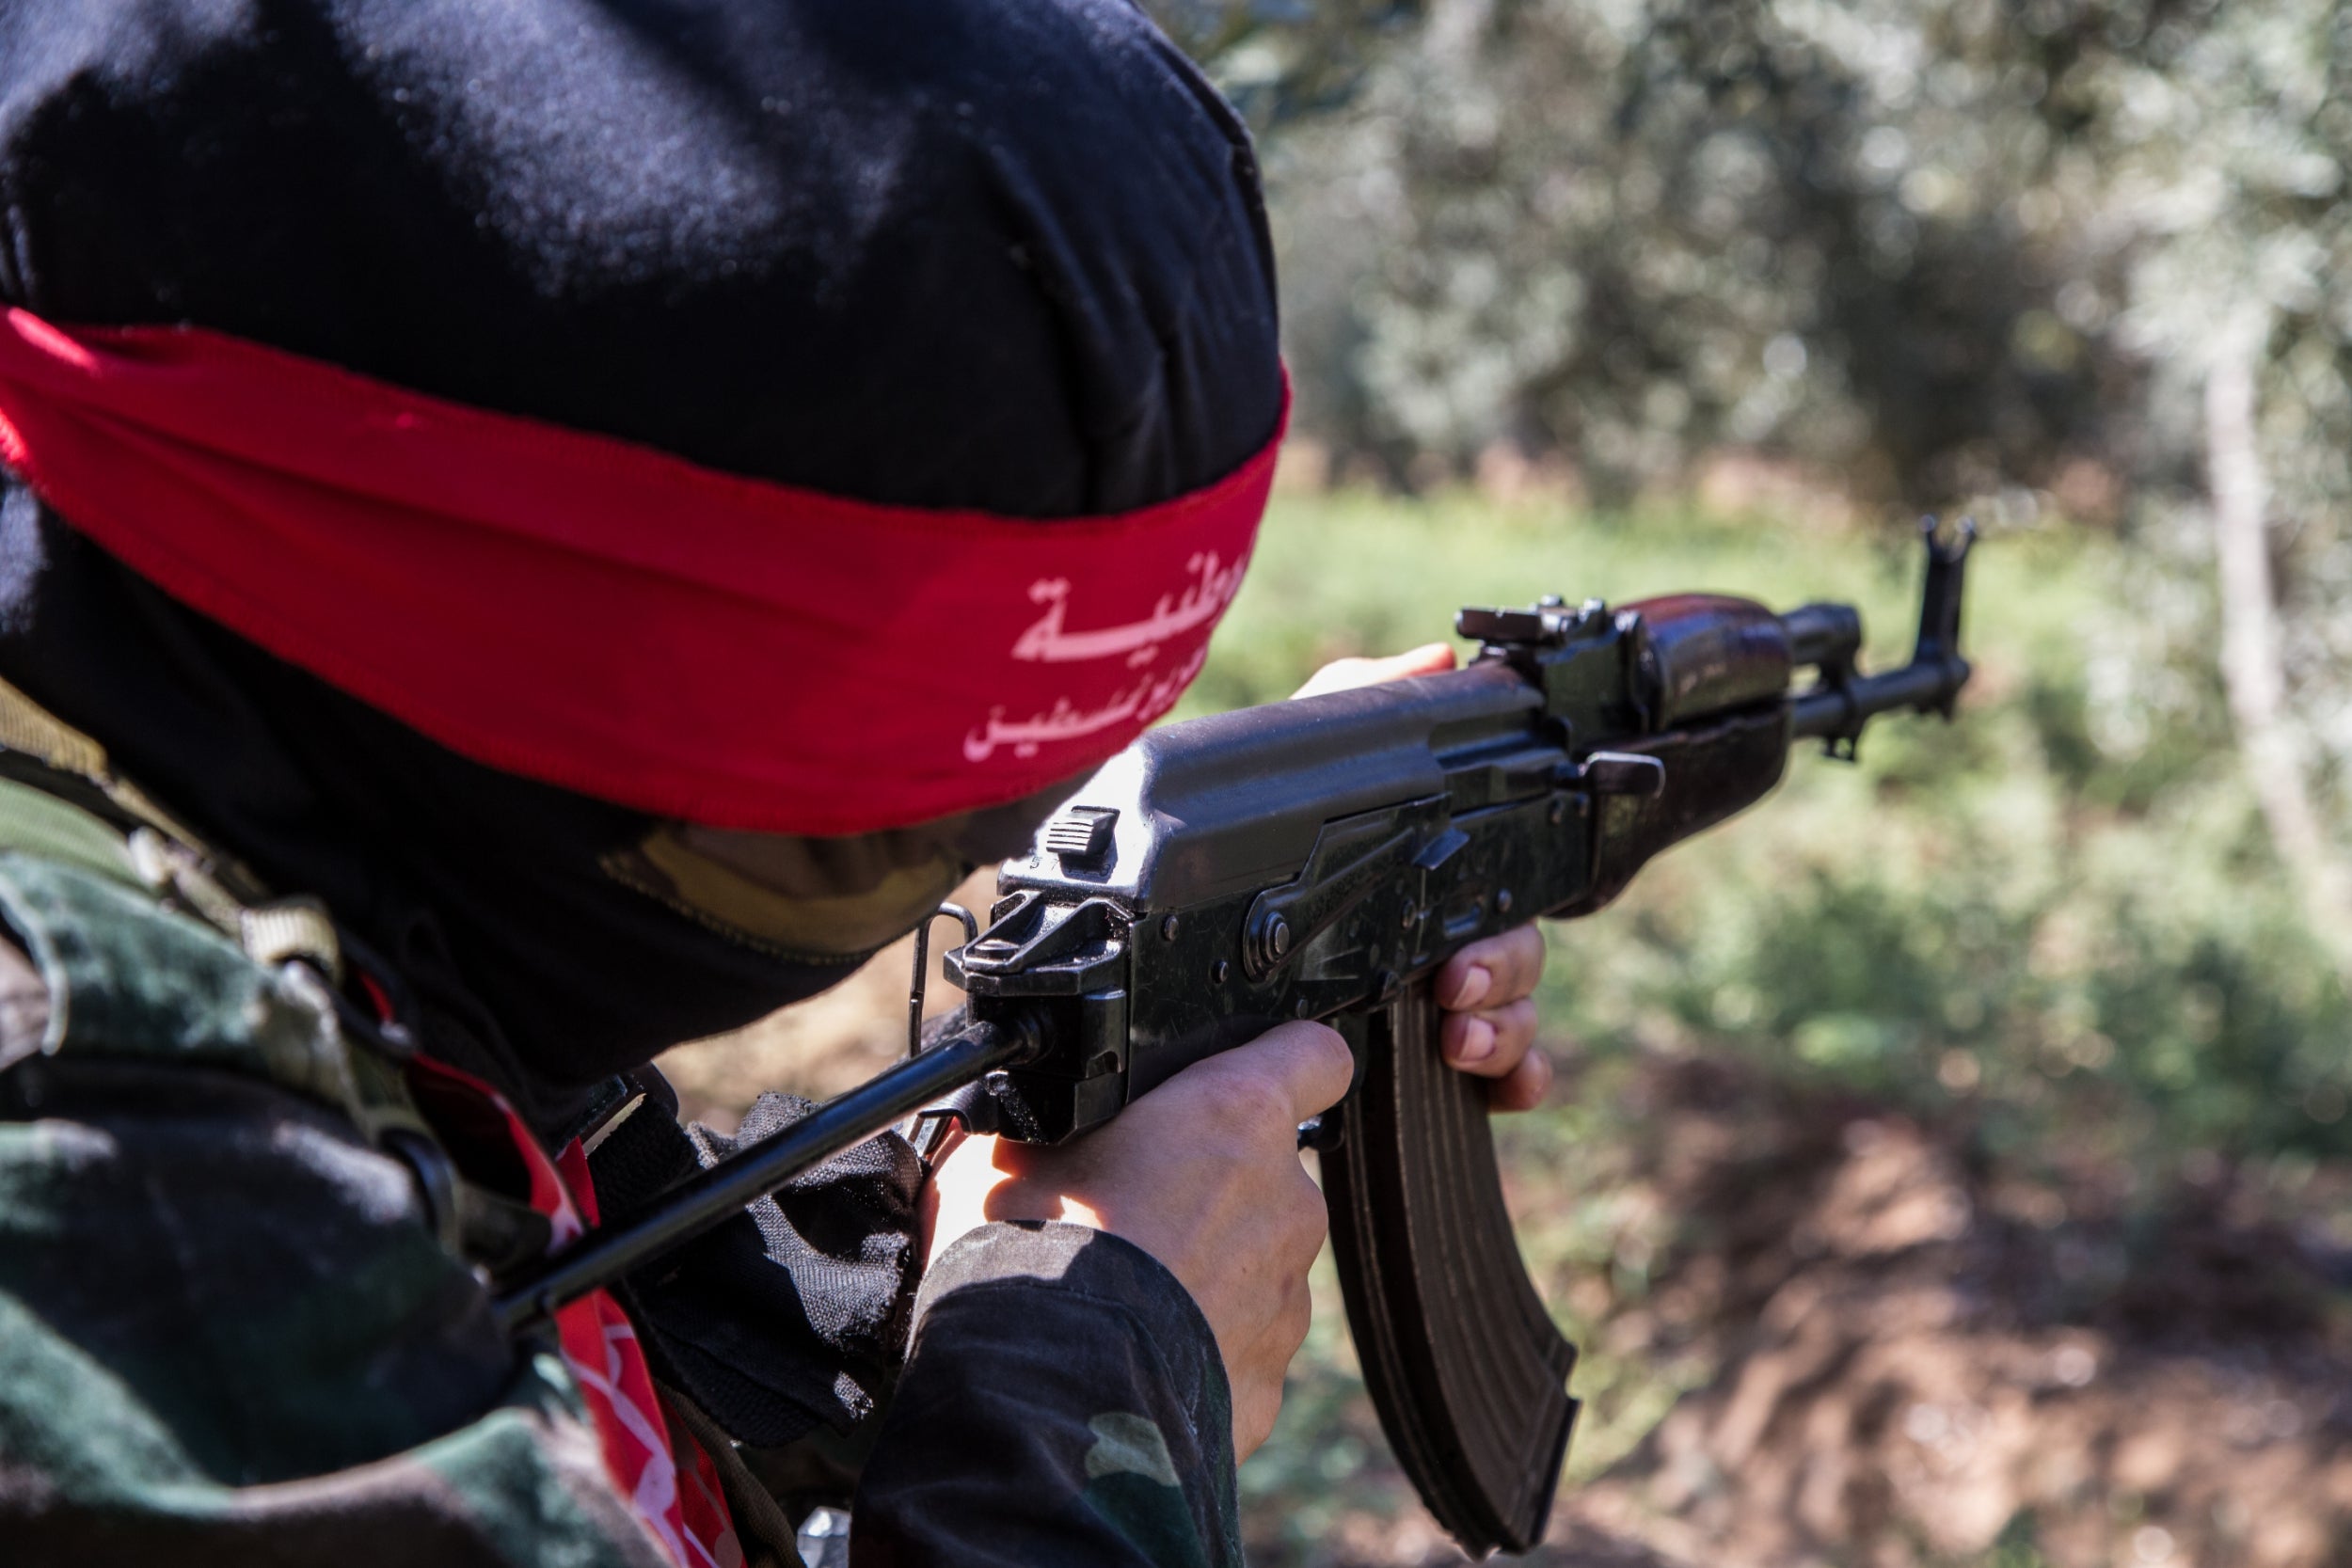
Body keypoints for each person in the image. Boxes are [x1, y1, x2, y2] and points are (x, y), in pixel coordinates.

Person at [0, 3, 1551, 1564]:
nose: (968, 865)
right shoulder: (81, 1163)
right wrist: (1097, 1371)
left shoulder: (281, 848)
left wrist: (1061, 1127)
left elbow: (550, 1257)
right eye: (856, 834)